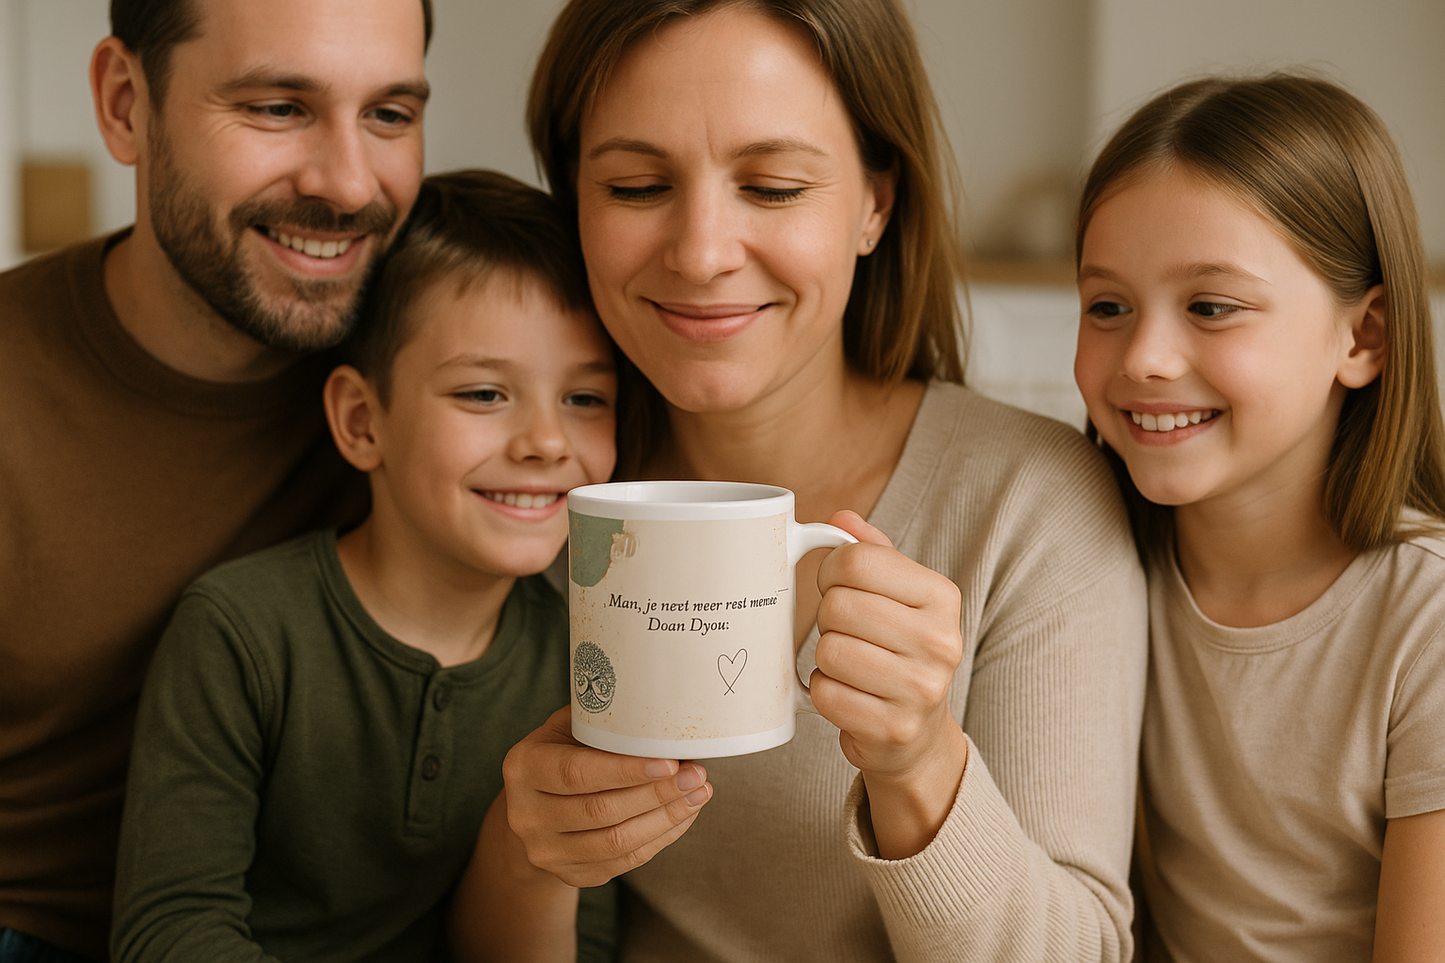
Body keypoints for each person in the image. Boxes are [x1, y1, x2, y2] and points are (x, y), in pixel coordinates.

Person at [468, 1, 1150, 960]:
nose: (701, 252)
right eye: (633, 185)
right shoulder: (529, 490)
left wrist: (920, 766)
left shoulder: (1027, 503)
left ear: (876, 203)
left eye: (774, 187)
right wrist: (530, 852)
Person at [0, 0, 431, 958]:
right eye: (278, 107)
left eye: (390, 115)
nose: (348, 183)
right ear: (125, 104)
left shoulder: (451, 387)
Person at [110, 170, 620, 962]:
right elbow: (168, 931)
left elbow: (580, 944)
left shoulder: (585, 664)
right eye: (485, 394)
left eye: (586, 399)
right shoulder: (240, 630)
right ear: (361, 420)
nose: (547, 443)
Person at [1072, 74, 1445, 962]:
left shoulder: (1424, 621)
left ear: (1364, 338)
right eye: (1106, 307)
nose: (1146, 358)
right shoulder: (1083, 552)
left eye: (1210, 307)